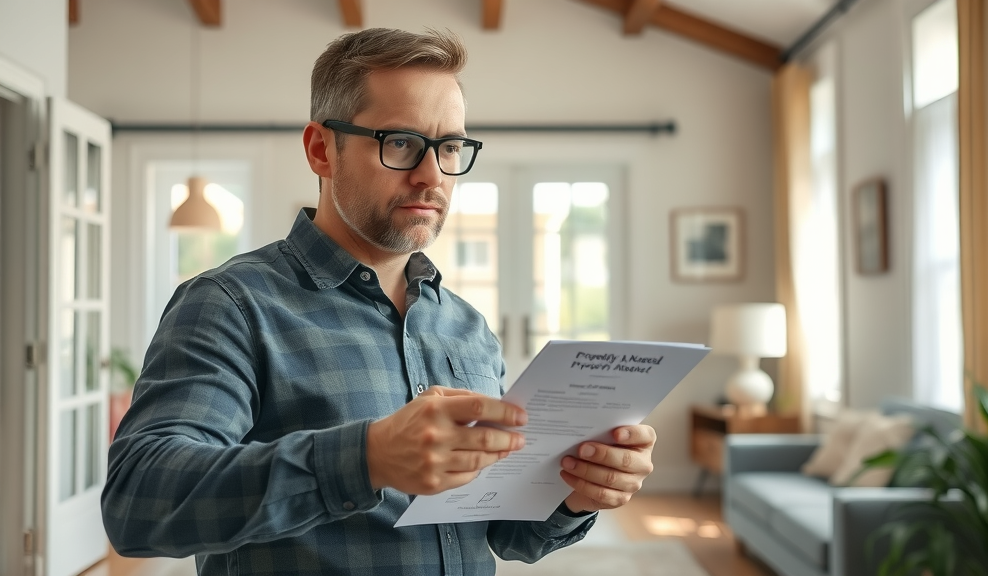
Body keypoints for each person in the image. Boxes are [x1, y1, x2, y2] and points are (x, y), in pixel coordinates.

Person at [102, 27, 658, 576]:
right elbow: (137, 505)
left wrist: (575, 491)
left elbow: (506, 535)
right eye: (400, 143)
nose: (431, 175)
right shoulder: (232, 305)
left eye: (451, 147)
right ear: (322, 149)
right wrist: (367, 458)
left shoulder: (466, 326)